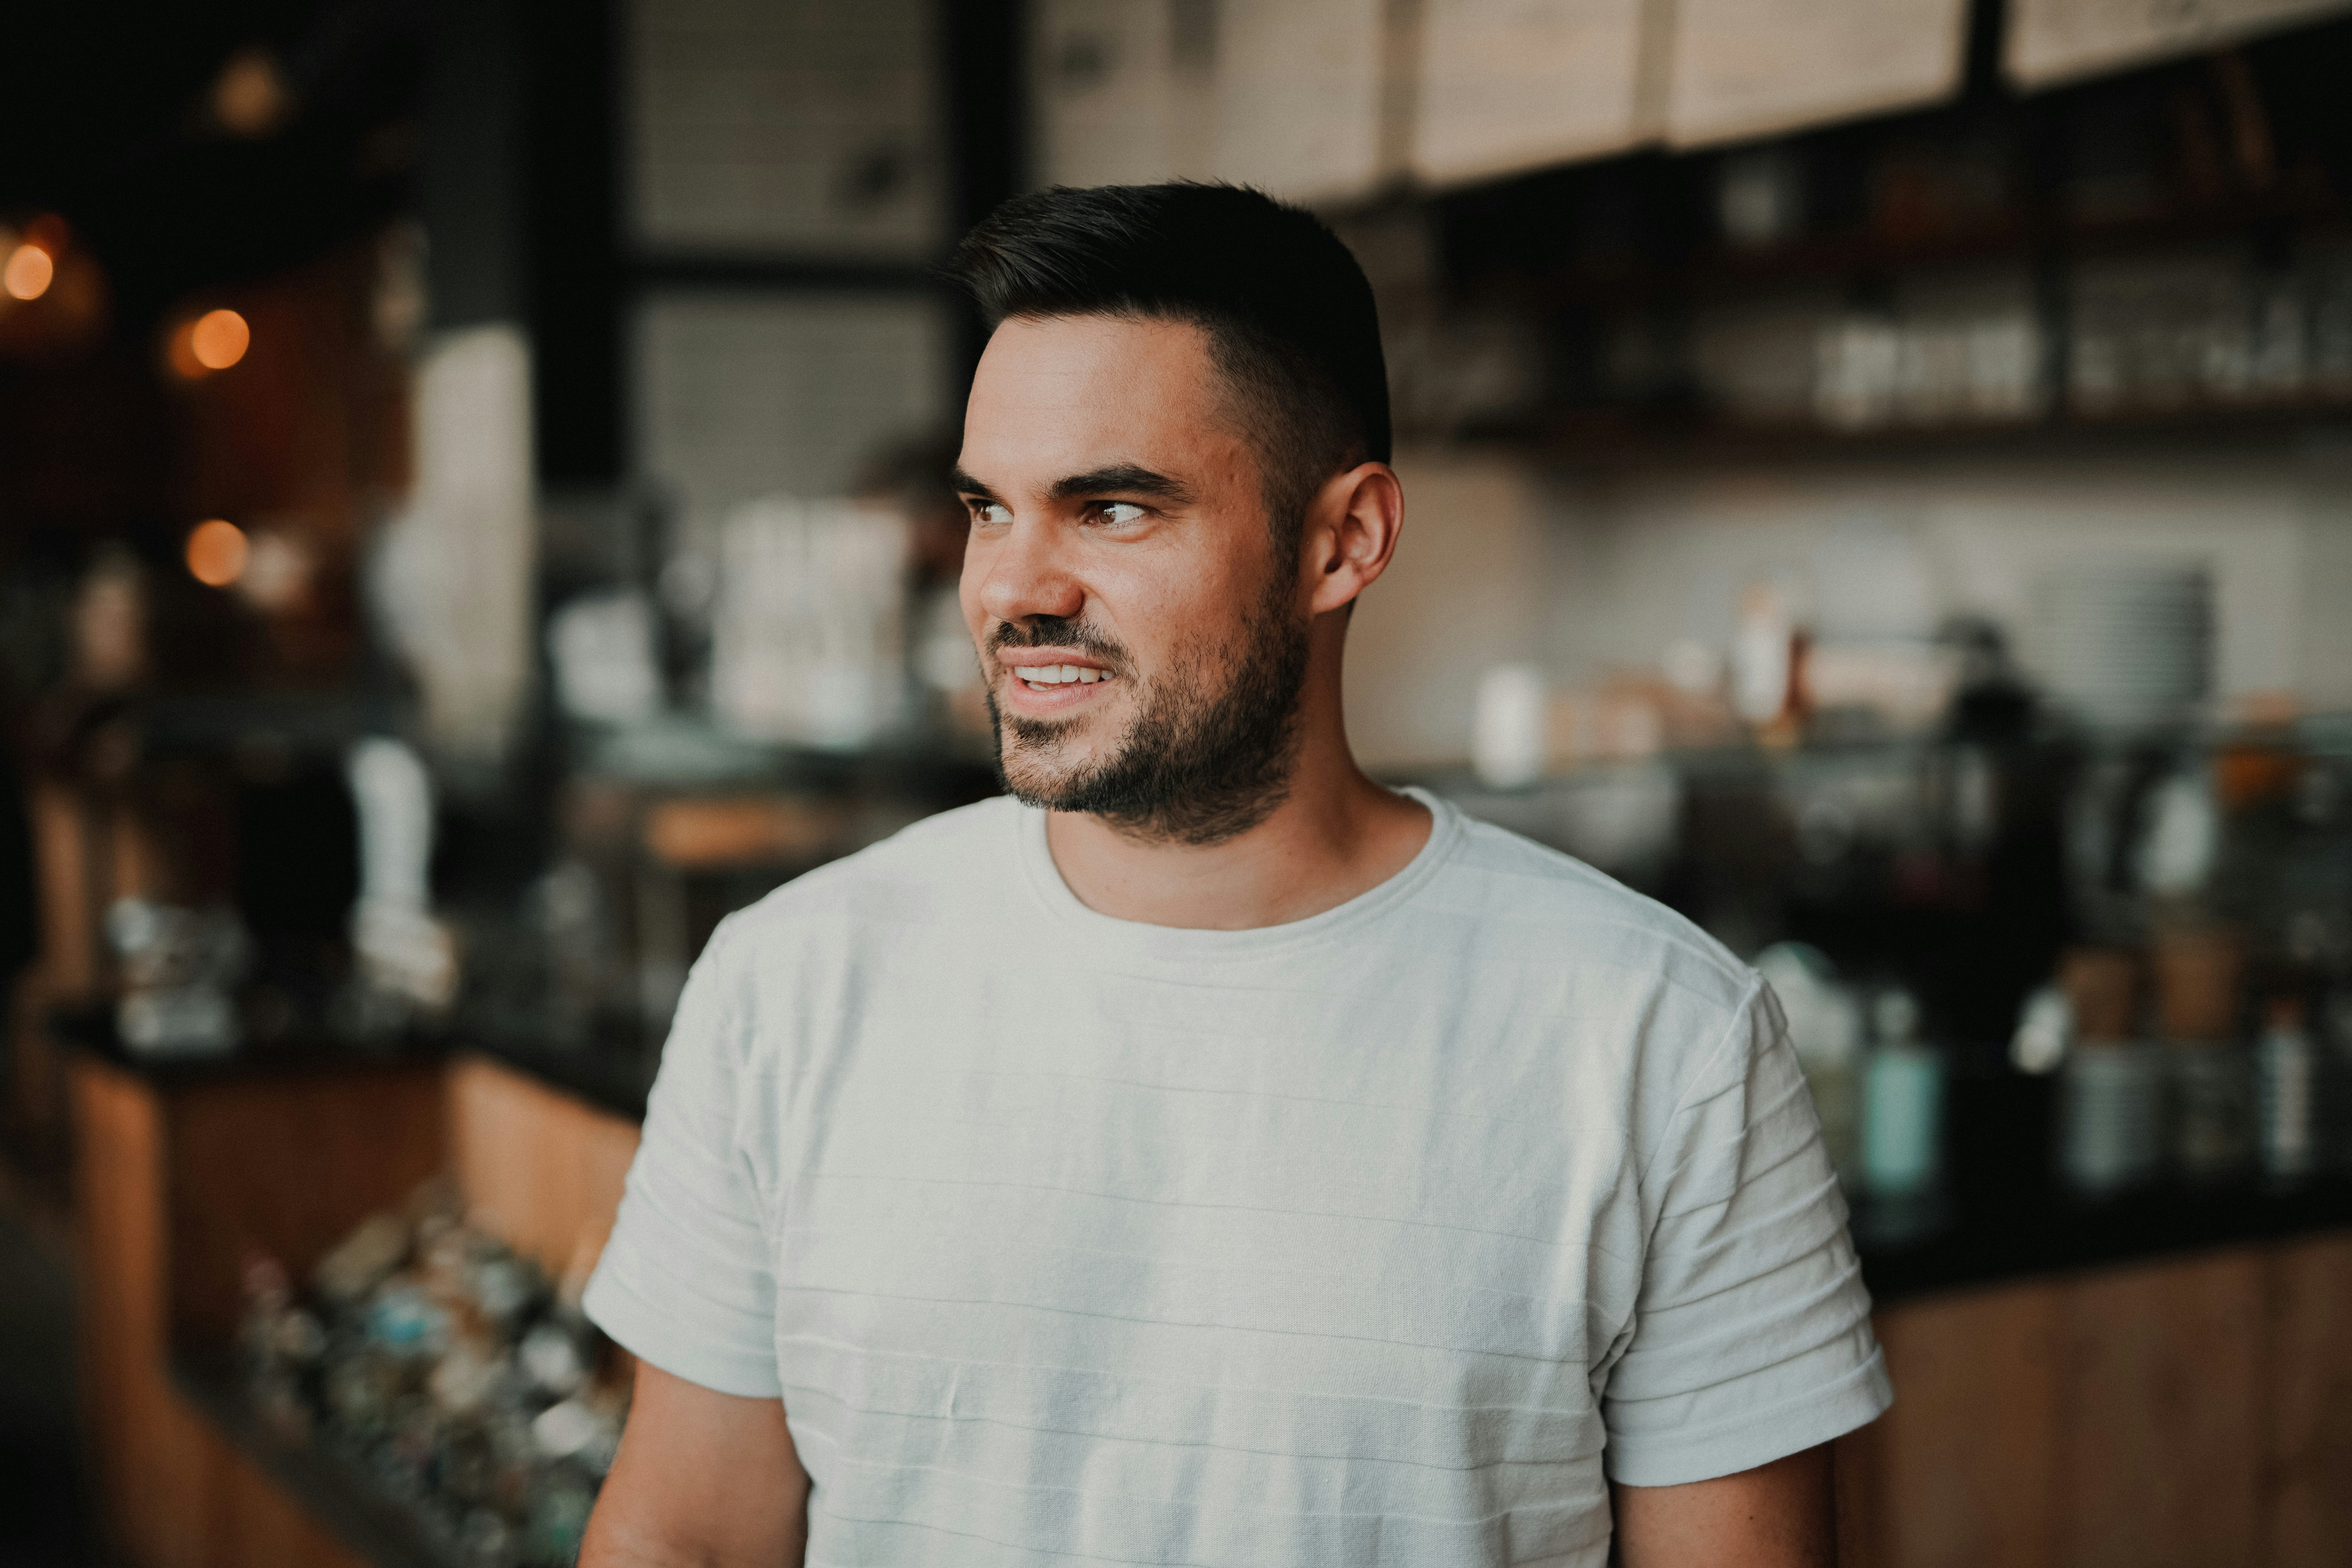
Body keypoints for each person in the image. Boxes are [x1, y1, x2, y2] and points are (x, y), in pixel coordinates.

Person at [579, 183, 1889, 1568]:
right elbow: (687, 1538)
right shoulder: (788, 982)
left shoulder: (1661, 1037)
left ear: (1347, 540)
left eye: (1112, 509)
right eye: (988, 508)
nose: (1013, 588)